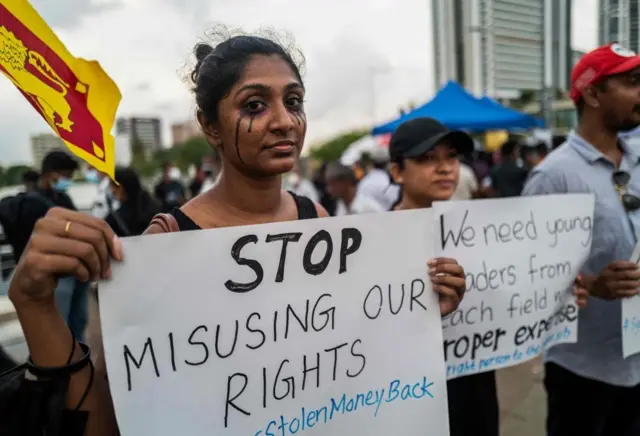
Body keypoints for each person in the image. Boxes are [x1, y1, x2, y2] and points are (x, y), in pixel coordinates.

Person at [5, 30, 467, 435]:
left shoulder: (320, 221)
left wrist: (419, 313)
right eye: (254, 104)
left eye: (293, 101)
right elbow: (114, 414)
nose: (284, 120)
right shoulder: (165, 242)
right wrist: (35, 304)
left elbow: (349, 355)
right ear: (210, 126)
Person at [523, 43, 640, 436]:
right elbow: (525, 274)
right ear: (592, 94)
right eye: (632, 83)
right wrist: (591, 285)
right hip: (584, 371)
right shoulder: (553, 177)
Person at [387, 116, 498, 436]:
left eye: (451, 156)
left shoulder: (481, 231)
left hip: (473, 379)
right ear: (397, 172)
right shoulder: (375, 243)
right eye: (426, 159)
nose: (445, 167)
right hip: (413, 393)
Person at [105, 167, 159, 237]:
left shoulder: (114, 219)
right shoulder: (156, 207)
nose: (112, 191)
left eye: (112, 186)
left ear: (120, 187)